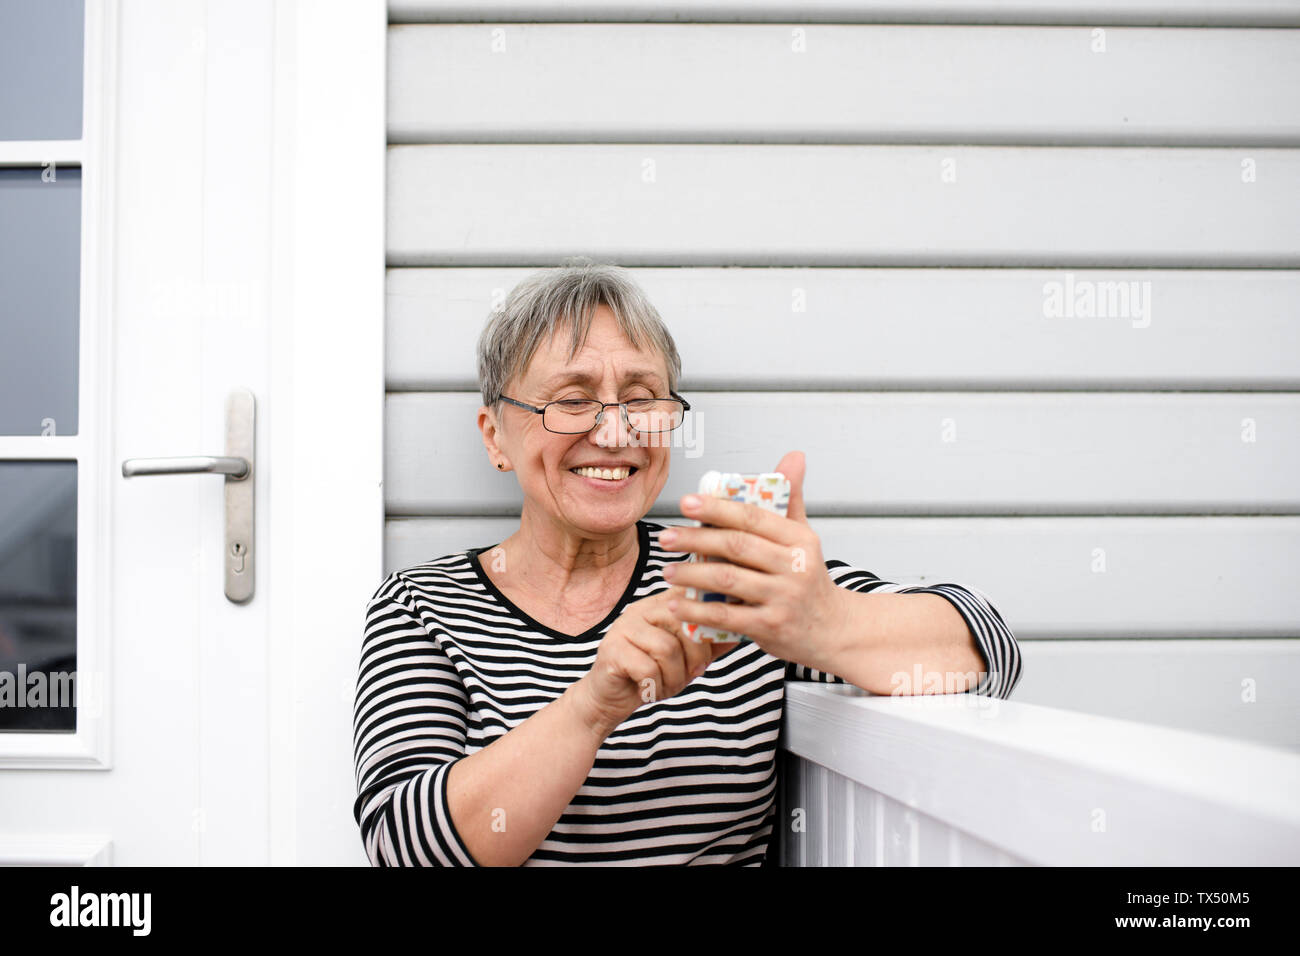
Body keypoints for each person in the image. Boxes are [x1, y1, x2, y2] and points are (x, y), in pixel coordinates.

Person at [351, 260, 1023, 866]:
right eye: (573, 399)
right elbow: (403, 849)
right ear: (496, 435)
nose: (615, 432)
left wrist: (824, 622)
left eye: (642, 397)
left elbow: (986, 649)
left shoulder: (727, 578)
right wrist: (590, 708)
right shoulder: (421, 606)